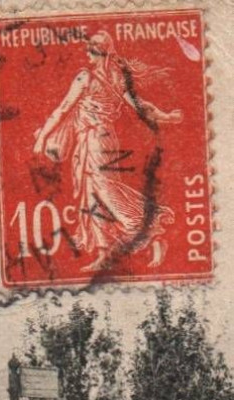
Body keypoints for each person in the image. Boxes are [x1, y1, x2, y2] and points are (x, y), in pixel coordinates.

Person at [31, 30, 184, 272]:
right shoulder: (117, 77)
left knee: (104, 190)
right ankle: (104, 252)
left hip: (95, 140)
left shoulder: (86, 78)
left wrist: (43, 138)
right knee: (91, 194)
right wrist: (165, 116)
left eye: (90, 50)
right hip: (100, 139)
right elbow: (139, 106)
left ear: (98, 52)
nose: (86, 54)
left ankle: (146, 226)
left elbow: (62, 110)